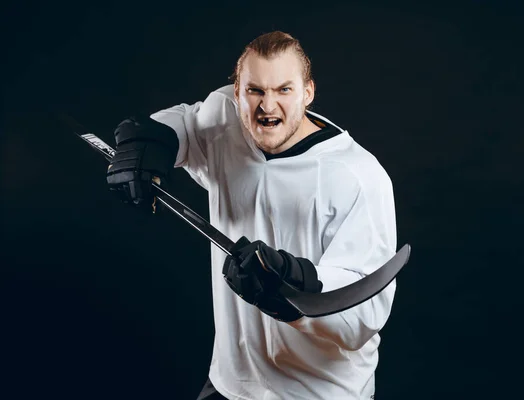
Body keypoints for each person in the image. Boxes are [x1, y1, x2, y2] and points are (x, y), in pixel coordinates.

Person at [106, 31, 399, 399]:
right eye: (255, 91)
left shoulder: (358, 177)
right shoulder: (226, 117)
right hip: (231, 382)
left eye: (283, 90)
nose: (267, 106)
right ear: (237, 92)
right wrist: (151, 142)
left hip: (319, 393)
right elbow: (187, 121)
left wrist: (291, 286)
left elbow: (364, 312)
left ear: (308, 92)